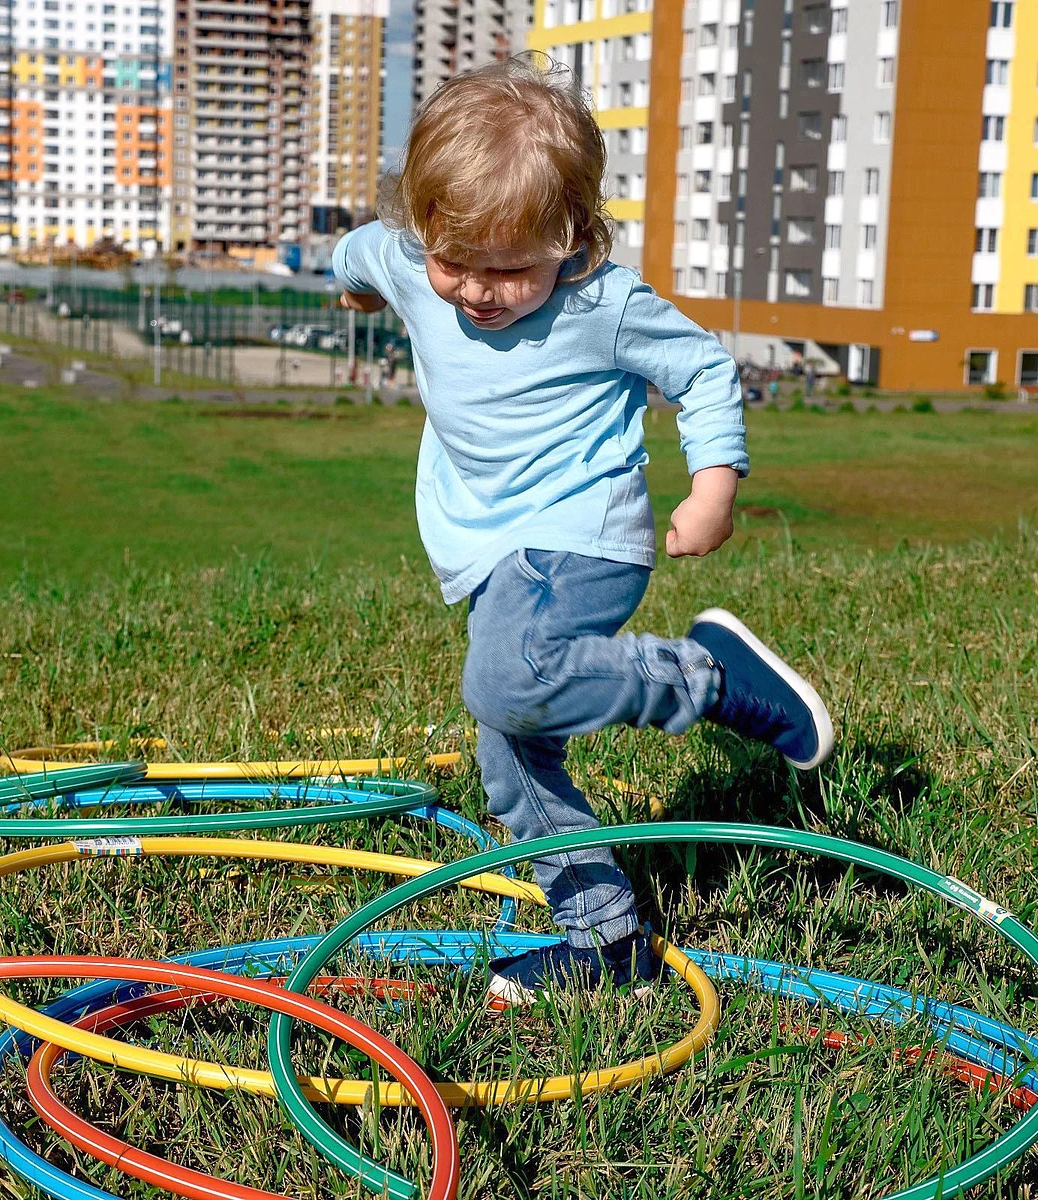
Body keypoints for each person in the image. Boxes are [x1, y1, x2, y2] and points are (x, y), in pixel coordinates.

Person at [331, 55, 834, 1006]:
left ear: (572, 235)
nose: (478, 291)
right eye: (454, 263)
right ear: (423, 225)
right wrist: (357, 286)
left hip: (582, 530)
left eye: (510, 269)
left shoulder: (603, 304)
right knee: (509, 742)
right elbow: (356, 256)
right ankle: (607, 941)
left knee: (504, 680)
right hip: (489, 546)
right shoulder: (406, 258)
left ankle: (714, 679)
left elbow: (704, 371)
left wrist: (714, 487)